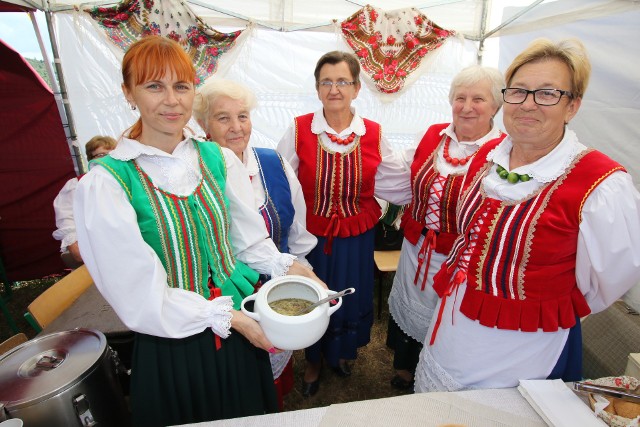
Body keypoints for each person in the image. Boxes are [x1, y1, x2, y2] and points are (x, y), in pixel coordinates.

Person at [74, 36, 322, 426]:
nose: (171, 100)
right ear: (128, 93)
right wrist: (232, 319)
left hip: (238, 325)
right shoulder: (106, 184)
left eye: (182, 86)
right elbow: (138, 293)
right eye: (154, 86)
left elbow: (247, 241)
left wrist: (294, 269)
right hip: (175, 340)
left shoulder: (217, 158)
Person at [414, 38, 640, 392]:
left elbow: (610, 278)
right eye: (518, 91)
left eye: (548, 93)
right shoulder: (490, 153)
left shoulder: (601, 182)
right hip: (456, 318)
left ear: (572, 106)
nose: (528, 105)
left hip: (521, 340)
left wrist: (542, 296)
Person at [277, 50, 409, 397]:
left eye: (342, 82)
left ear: (356, 88)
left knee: (348, 296)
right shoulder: (299, 128)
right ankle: (314, 361)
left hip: (356, 237)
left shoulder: (374, 134)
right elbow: (281, 180)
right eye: (326, 82)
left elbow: (396, 181)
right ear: (318, 88)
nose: (334, 89)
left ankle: (339, 354)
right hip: (312, 240)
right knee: (314, 297)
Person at [193, 78, 317, 409]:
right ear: (203, 124)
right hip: (225, 299)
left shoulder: (273, 164)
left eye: (243, 116)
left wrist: (297, 273)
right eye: (223, 117)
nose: (236, 128)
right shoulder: (193, 170)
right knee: (235, 378)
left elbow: (299, 231)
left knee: (273, 363)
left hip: (276, 291)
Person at [386, 65, 506, 390]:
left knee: (446, 322)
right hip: (416, 250)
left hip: (461, 262)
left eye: (478, 99)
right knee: (412, 310)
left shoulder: (505, 152)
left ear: (496, 106)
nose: (467, 107)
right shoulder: (433, 135)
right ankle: (405, 369)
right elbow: (405, 179)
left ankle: (435, 378)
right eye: (460, 98)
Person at [52, 135, 117, 268]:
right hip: (93, 253)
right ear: (91, 159)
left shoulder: (125, 183)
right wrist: (74, 246)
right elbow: (66, 218)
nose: (107, 158)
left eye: (112, 154)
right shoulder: (77, 184)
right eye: (101, 154)